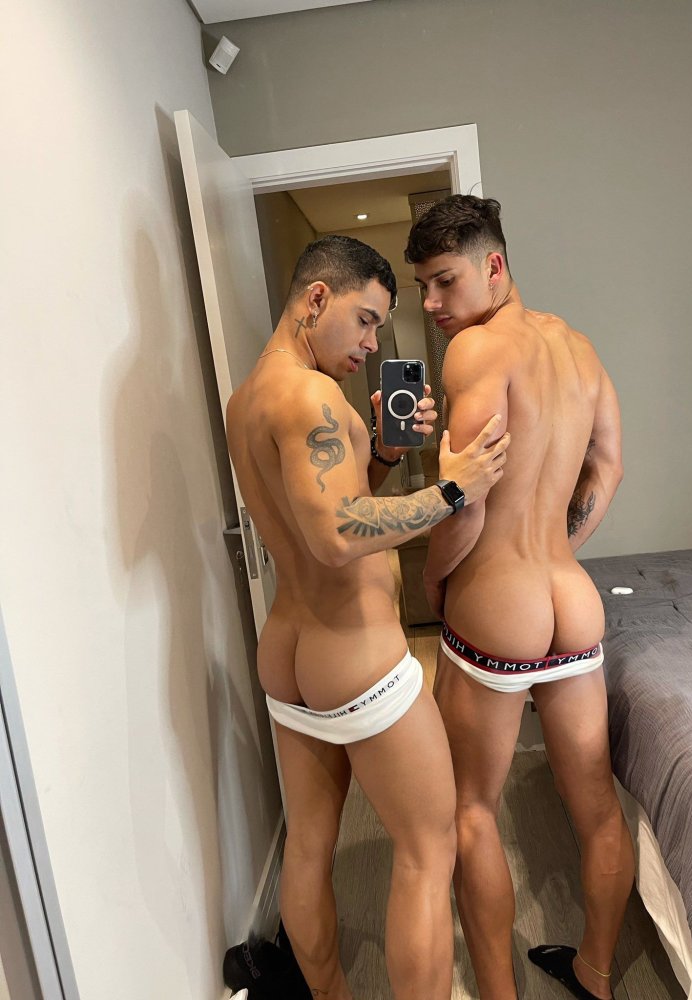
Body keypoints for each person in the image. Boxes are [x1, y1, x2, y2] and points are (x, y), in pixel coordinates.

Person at [226, 234, 510, 1000]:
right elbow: (337, 535)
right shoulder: (312, 396)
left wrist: (380, 452)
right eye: (366, 319)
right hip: (354, 655)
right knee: (427, 849)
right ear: (317, 298)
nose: (372, 342)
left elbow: (321, 508)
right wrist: (454, 489)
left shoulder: (248, 398)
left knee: (308, 848)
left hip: (289, 656)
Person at [405, 196, 634, 1000]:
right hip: (572, 600)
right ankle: (596, 976)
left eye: (444, 281)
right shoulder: (578, 346)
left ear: (493, 265)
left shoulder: (475, 351)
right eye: (422, 288)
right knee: (596, 806)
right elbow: (608, 465)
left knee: (472, 809)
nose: (431, 304)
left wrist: (435, 582)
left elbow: (464, 504)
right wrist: (556, 548)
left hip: (497, 607)